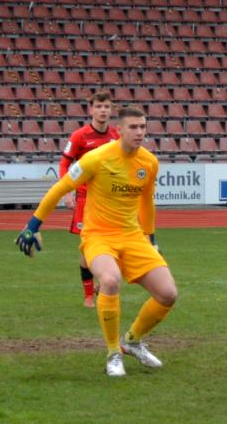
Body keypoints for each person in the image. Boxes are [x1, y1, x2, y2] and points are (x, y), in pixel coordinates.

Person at [15, 107, 175, 378]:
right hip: (98, 235)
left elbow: (147, 201)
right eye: (133, 127)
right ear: (119, 130)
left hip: (133, 236)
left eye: (142, 127)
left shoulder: (149, 162)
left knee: (168, 294)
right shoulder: (96, 158)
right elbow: (60, 188)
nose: (139, 132)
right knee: (110, 281)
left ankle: (132, 341)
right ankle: (113, 352)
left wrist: (151, 238)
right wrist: (33, 225)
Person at [59, 91, 118, 308]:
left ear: (111, 110)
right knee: (87, 247)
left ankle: (103, 282)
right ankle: (88, 296)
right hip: (85, 199)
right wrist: (67, 191)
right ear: (91, 109)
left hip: (110, 198)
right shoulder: (79, 136)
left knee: (115, 244)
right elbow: (64, 163)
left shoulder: (116, 135)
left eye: (107, 106)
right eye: (99, 106)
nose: (103, 110)